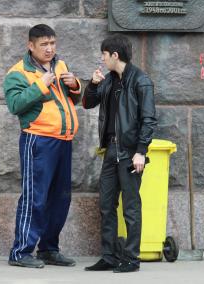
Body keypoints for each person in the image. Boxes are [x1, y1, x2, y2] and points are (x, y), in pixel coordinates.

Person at [3, 24, 81, 268]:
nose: (49, 49)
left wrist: (75, 84)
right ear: (31, 46)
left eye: (53, 43)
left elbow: (71, 99)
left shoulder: (61, 65)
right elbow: (15, 105)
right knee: (34, 198)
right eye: (44, 45)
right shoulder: (18, 73)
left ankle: (49, 249)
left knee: (60, 199)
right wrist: (40, 85)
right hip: (38, 140)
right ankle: (20, 252)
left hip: (63, 140)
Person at [82, 34, 157, 273]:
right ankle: (110, 256)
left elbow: (149, 120)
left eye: (104, 55)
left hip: (130, 152)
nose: (102, 59)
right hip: (111, 150)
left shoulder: (140, 81)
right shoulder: (109, 80)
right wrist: (93, 84)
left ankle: (131, 258)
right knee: (106, 204)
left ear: (115, 55)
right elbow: (87, 103)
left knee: (131, 207)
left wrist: (140, 152)